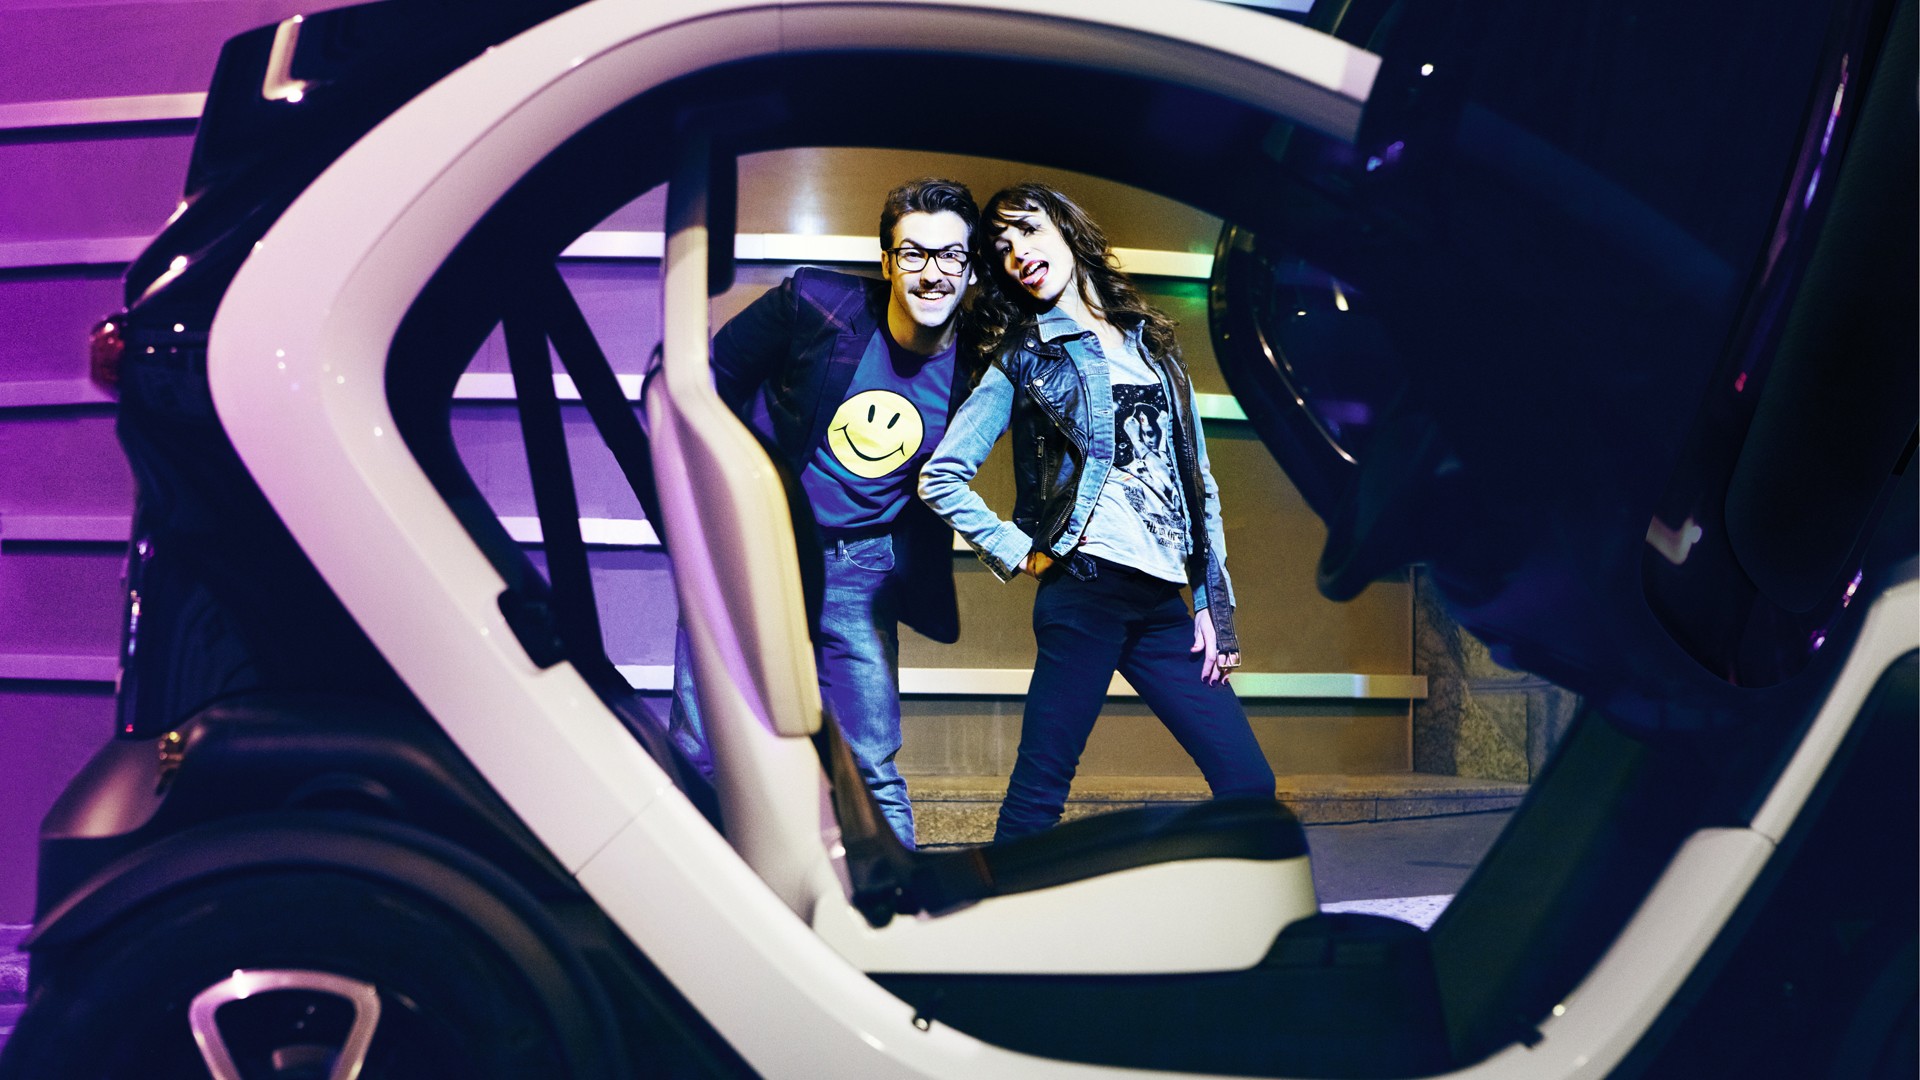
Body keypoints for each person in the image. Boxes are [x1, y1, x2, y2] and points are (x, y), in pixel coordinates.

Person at [919, 182, 1276, 842]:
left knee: (1249, 782)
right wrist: (1018, 549)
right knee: (1038, 799)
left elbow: (1198, 484)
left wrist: (1212, 604)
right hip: (1084, 592)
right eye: (1002, 249)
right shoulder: (1025, 356)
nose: (1017, 254)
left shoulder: (1153, 346)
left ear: (1067, 229)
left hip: (1162, 603)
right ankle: (1000, 908)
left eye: (1028, 231)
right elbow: (941, 478)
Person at [669, 178, 980, 848]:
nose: (932, 274)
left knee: (871, 763)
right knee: (700, 746)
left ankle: (897, 909)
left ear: (971, 268)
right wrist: (718, 509)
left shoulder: (982, 362)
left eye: (951, 255)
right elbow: (700, 386)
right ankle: (691, 890)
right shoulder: (817, 304)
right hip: (758, 548)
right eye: (914, 254)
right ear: (888, 261)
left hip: (861, 565)